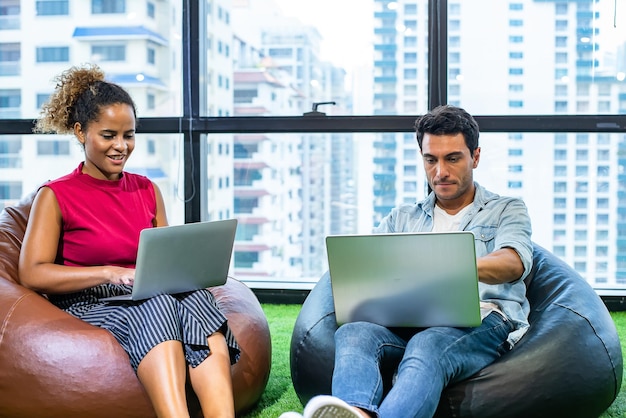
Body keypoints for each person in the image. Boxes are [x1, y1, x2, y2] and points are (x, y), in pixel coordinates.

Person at [281, 105, 533, 418]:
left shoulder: (506, 209)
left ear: (475, 157)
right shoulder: (402, 218)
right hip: (408, 324)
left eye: (452, 158)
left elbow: (513, 262)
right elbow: (366, 270)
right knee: (354, 331)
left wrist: (446, 267)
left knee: (429, 344)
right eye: (431, 159)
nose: (440, 172)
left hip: (484, 320)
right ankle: (357, 412)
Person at [19, 64, 240, 418]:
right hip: (87, 300)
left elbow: (167, 256)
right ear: (80, 132)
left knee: (196, 299)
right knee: (159, 306)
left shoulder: (147, 189)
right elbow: (32, 273)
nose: (121, 146)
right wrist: (108, 273)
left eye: (129, 135)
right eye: (108, 135)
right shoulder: (55, 195)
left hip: (144, 291)